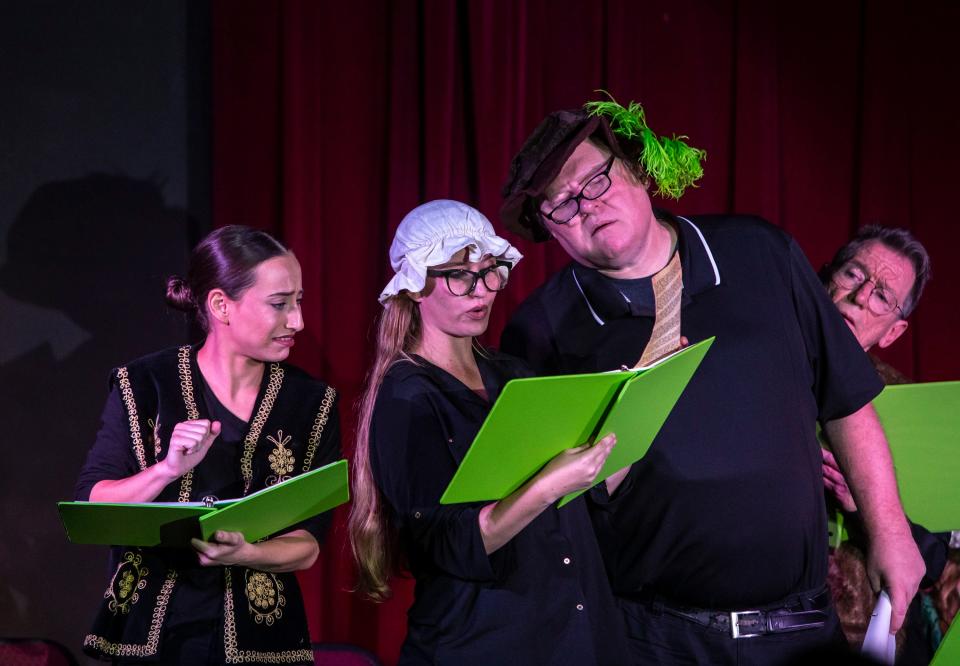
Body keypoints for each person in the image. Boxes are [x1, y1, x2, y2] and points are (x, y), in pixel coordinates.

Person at [498, 100, 925, 663]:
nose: (587, 207)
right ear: (550, 231)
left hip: (802, 628)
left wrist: (891, 531)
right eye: (560, 205)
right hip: (658, 637)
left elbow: (846, 402)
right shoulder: (541, 330)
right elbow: (549, 510)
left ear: (636, 169)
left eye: (596, 180)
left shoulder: (761, 253)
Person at [348, 199, 628, 665]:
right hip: (483, 644)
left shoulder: (513, 374)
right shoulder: (407, 398)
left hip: (574, 636)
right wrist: (547, 485)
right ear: (416, 287)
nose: (482, 291)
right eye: (460, 275)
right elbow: (450, 544)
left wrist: (629, 417)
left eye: (491, 271)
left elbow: (584, 499)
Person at [75, 225, 341, 664]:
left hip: (261, 638)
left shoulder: (311, 403)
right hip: (151, 635)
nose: (297, 321)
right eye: (279, 304)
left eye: (298, 302)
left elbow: (309, 542)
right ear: (221, 305)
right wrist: (165, 470)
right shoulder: (143, 384)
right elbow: (92, 505)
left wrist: (249, 552)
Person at [817, 226, 958, 661]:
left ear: (894, 332)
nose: (861, 297)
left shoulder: (906, 403)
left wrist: (868, 507)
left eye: (882, 295)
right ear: (824, 280)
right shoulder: (763, 362)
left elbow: (934, 562)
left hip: (857, 639)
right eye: (854, 275)